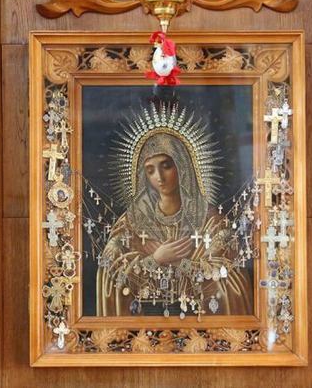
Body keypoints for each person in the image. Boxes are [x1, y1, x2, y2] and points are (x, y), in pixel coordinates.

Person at [97, 127, 252, 317]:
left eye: (166, 166)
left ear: (182, 166)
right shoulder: (130, 223)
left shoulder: (212, 223)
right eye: (150, 170)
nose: (159, 177)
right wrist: (155, 260)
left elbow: (231, 278)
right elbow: (111, 271)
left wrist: (181, 263)